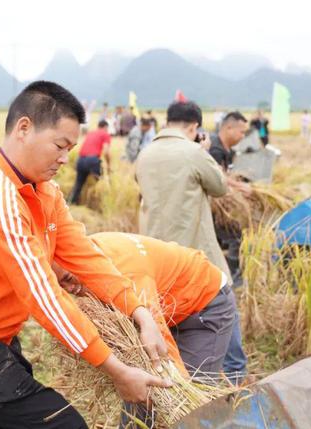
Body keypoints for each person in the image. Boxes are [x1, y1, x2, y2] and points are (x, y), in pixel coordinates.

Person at [0, 81, 171, 429]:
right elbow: (45, 298)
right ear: (24, 128)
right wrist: (116, 370)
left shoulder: (45, 192)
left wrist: (140, 313)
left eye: (70, 149)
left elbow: (85, 256)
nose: (65, 158)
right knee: (64, 425)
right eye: (60, 146)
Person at [53, 232, 237, 427]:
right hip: (169, 306)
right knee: (140, 399)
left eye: (69, 278)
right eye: (60, 284)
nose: (69, 289)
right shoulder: (87, 252)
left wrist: (175, 393)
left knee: (190, 412)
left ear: (77, 262)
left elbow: (161, 349)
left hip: (205, 305)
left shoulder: (129, 275)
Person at [136, 101, 248, 383]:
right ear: (195, 127)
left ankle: (177, 376)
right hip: (194, 251)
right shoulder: (193, 152)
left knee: (173, 317)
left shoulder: (145, 154)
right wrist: (204, 152)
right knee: (222, 303)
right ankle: (234, 378)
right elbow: (220, 187)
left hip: (155, 254)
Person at [207, 112, 251, 383]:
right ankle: (235, 371)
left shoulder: (224, 150)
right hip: (212, 217)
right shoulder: (212, 148)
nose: (243, 136)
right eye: (241, 131)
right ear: (229, 128)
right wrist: (240, 189)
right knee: (234, 238)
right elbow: (218, 182)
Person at [69, 120, 112, 205]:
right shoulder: (105, 134)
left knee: (78, 184)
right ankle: (104, 205)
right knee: (102, 182)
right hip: (92, 160)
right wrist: (108, 165)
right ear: (106, 127)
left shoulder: (91, 133)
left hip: (80, 160)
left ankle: (71, 203)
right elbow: (106, 151)